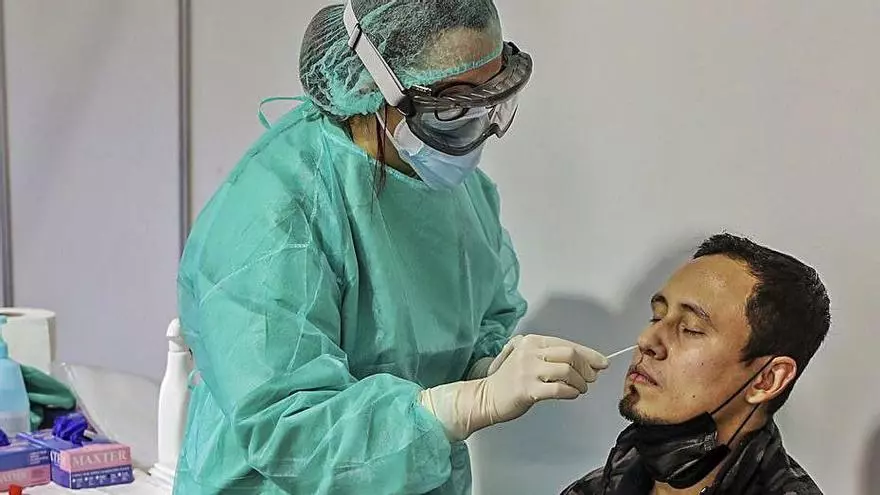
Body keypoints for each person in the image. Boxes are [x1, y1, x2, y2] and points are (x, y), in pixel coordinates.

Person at [174, 1, 609, 493]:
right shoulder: (276, 212)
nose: (477, 126)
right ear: (372, 86)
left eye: (491, 99)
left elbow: (481, 319)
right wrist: (464, 405)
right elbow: (290, 430)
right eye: (452, 106)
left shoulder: (461, 196)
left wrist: (487, 368)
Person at [562, 233, 829, 495]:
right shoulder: (596, 488)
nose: (646, 340)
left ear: (766, 380)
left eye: (690, 329)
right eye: (657, 317)